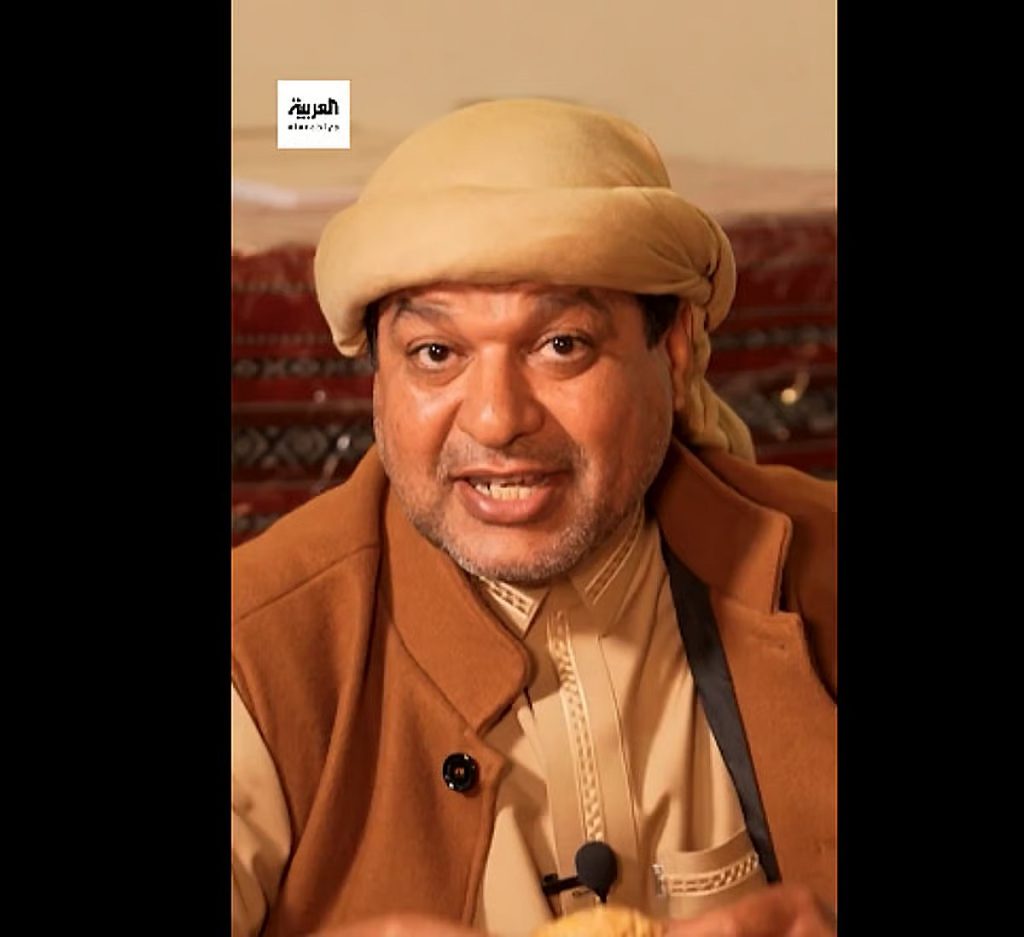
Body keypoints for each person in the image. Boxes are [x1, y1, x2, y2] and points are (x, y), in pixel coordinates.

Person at [232, 98, 837, 937]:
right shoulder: (257, 648)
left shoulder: (818, 568)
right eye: (436, 354)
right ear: (379, 382)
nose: (496, 419)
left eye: (561, 345)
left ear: (673, 349)